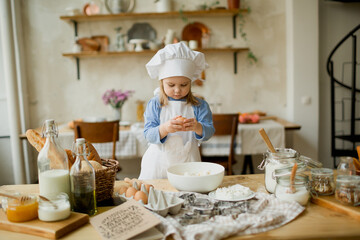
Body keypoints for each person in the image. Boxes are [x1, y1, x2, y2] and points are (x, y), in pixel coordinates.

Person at [138, 42, 215, 180]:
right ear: (162, 82)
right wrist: (165, 128)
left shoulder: (199, 105)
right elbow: (148, 134)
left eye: (184, 85)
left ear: (190, 83)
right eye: (171, 85)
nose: (177, 90)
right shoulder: (155, 104)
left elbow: (209, 132)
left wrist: (197, 127)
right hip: (157, 166)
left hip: (189, 166)